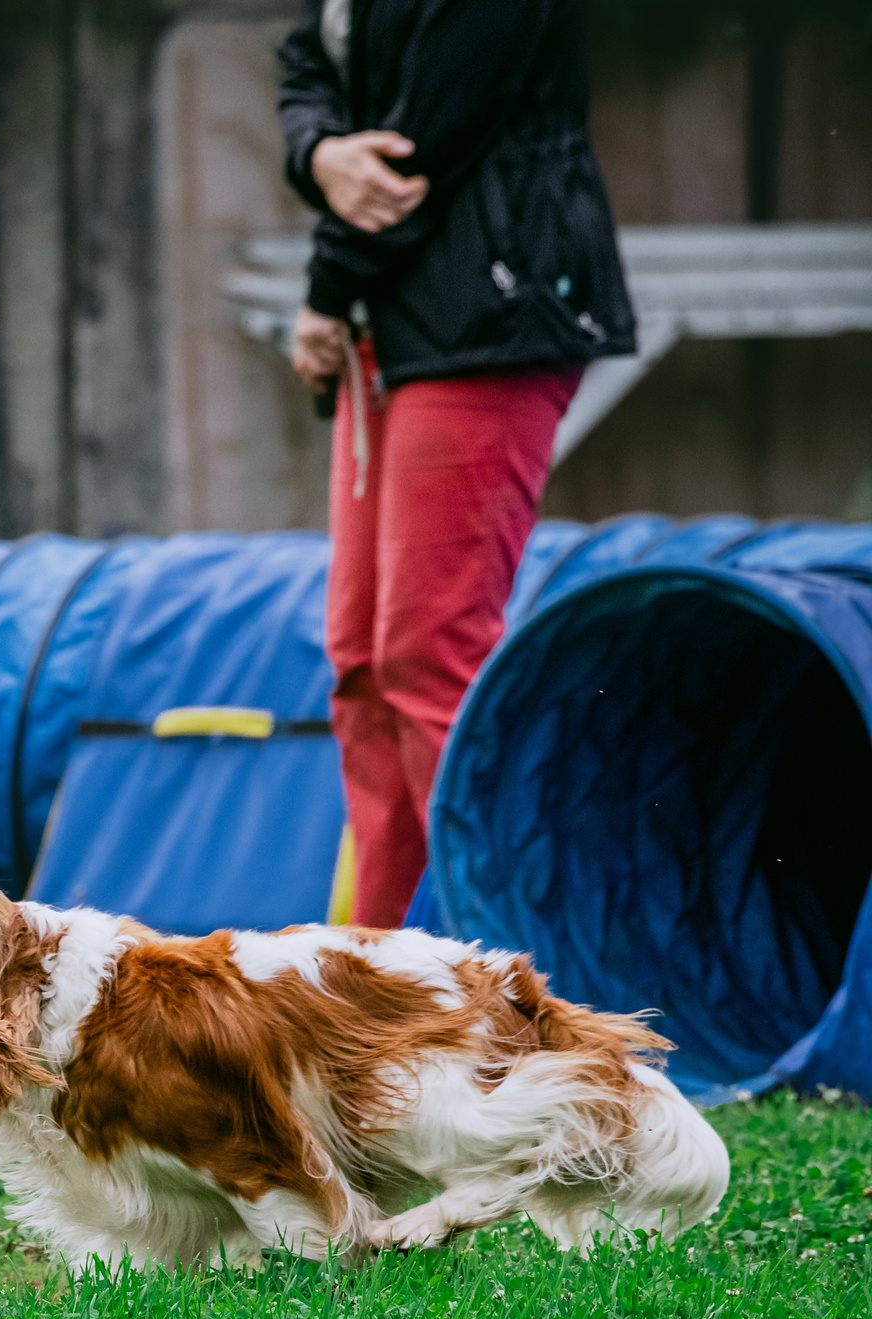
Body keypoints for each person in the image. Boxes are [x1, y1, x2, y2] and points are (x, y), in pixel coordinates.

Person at [279, 0, 634, 927]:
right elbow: (304, 61)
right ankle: (380, 961)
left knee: (430, 654)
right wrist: (318, 152)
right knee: (361, 664)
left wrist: (326, 292)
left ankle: (496, 949)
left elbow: (422, 141)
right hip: (389, 317)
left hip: (493, 315)